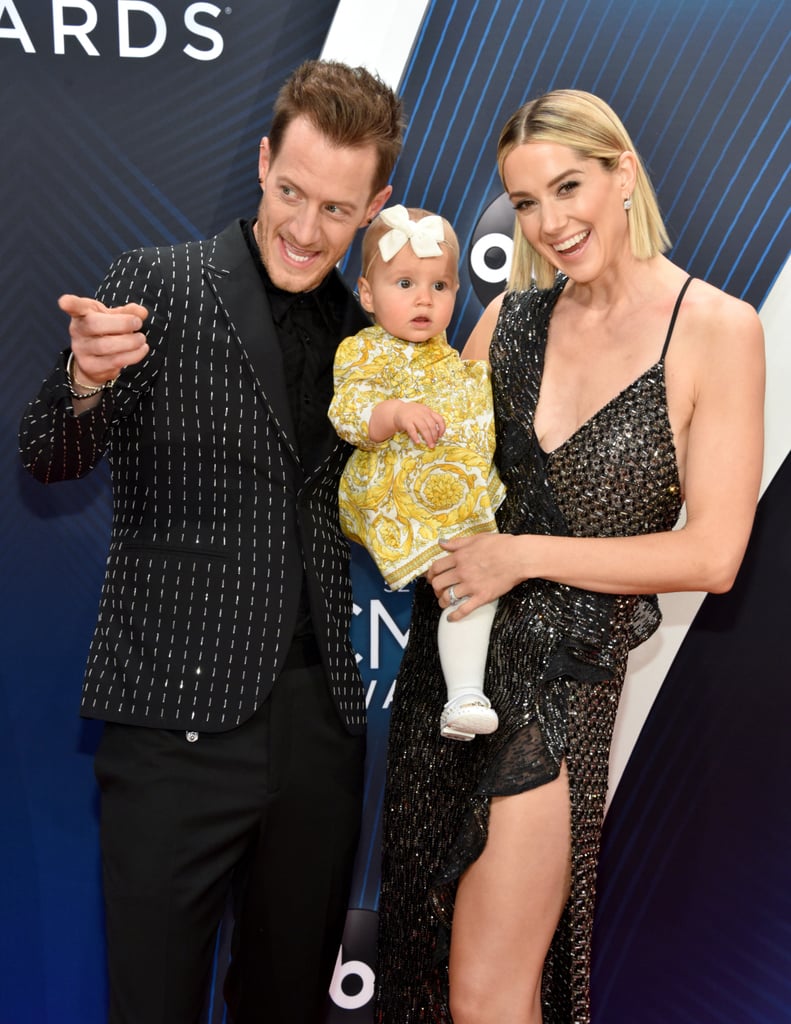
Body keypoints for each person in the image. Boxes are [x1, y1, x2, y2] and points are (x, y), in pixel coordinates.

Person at [18, 59, 404, 1024]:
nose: (305, 230)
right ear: (263, 160)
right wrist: (84, 382)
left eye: (336, 210)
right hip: (170, 732)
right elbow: (48, 454)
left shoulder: (373, 343)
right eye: (290, 194)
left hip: (319, 736)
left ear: (376, 208)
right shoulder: (157, 285)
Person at [375, 89, 764, 1024]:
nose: (549, 223)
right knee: (424, 971)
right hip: (451, 681)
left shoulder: (716, 331)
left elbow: (714, 554)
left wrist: (519, 556)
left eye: (567, 187)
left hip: (554, 700)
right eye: (524, 203)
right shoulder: (506, 321)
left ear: (622, 173)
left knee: (490, 994)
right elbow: (439, 475)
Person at [329, 204, 505, 742]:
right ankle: (465, 692)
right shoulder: (362, 351)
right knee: (464, 573)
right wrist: (397, 413)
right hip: (387, 488)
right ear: (366, 294)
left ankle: (465, 693)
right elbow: (350, 412)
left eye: (441, 285)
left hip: (440, 489)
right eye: (405, 282)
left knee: (473, 575)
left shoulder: (449, 358)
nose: (424, 299)